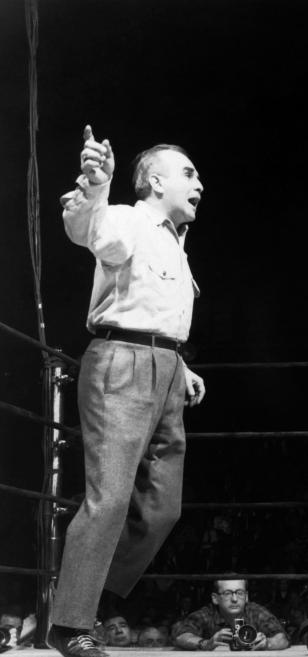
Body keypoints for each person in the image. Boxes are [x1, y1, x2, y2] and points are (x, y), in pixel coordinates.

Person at [47, 126, 207, 657]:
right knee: (109, 498)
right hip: (121, 363)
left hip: (164, 368)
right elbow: (89, 229)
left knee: (163, 508)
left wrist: (177, 364)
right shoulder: (130, 220)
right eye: (188, 173)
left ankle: (87, 590)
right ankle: (70, 623)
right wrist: (96, 186)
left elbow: (157, 311)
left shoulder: (174, 241)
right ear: (154, 181)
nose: (199, 182)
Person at [173, 579, 290, 651]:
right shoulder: (207, 613)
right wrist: (206, 644)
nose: (234, 599)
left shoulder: (255, 611)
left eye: (240, 593)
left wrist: (267, 644)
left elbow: (282, 638)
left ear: (246, 596)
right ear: (215, 598)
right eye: (227, 593)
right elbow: (181, 636)